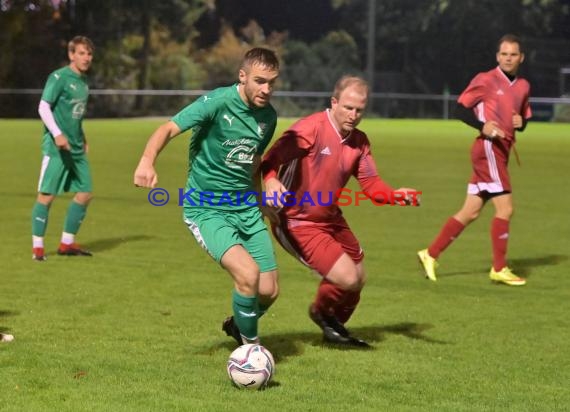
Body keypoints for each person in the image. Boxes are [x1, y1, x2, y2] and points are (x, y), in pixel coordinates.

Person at [133, 48, 280, 346]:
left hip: (246, 209)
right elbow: (167, 129)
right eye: (259, 81)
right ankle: (250, 351)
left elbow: (252, 162)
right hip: (207, 209)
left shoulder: (268, 117)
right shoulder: (216, 102)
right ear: (242, 76)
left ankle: (238, 324)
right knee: (248, 275)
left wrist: (260, 200)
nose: (266, 89)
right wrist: (147, 161)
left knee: (268, 290)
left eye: (272, 82)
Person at [261, 75, 419, 346]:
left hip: (331, 218)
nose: (353, 115)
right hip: (297, 221)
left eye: (359, 110)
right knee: (347, 277)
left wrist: (394, 195)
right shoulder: (308, 129)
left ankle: (331, 323)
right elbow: (269, 160)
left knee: (359, 278)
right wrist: (271, 179)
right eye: (348, 107)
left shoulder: (359, 142)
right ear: (334, 102)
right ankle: (322, 314)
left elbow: (372, 186)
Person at [417, 34, 531, 286]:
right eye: (503, 54)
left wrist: (522, 123)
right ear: (497, 56)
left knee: (470, 211)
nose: (508, 58)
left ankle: (430, 253)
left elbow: (522, 119)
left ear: (521, 57)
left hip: (502, 152)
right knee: (506, 208)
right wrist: (483, 126)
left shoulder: (523, 86)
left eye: (513, 54)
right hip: (487, 149)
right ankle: (499, 269)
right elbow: (460, 109)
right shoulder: (486, 79)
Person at [31, 36, 95, 261]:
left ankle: (67, 243)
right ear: (71, 55)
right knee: (47, 196)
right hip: (57, 148)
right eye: (81, 53)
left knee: (85, 192)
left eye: (89, 54)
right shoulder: (59, 77)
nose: (86, 58)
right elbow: (43, 106)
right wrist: (57, 134)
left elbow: (75, 116)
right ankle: (38, 248)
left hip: (76, 147)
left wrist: (83, 137)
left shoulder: (83, 82)